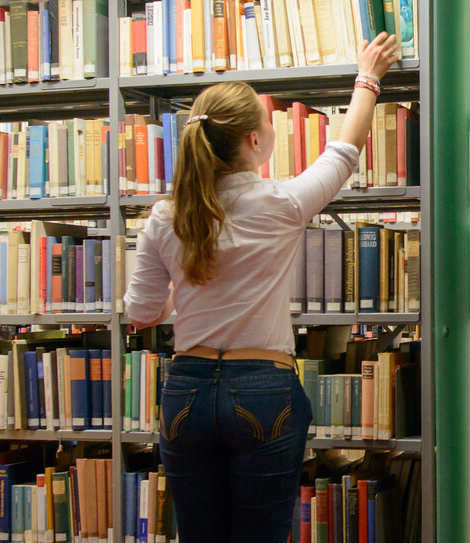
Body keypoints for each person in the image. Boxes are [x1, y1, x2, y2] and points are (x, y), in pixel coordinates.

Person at [125, 31, 401, 542]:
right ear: (254, 141)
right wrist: (368, 77)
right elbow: (344, 150)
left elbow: (140, 313)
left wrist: (184, 297)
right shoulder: (282, 203)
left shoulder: (163, 217)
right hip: (263, 387)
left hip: (186, 387)